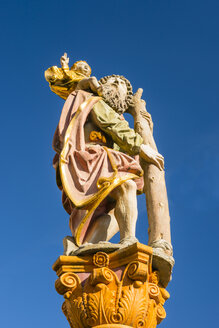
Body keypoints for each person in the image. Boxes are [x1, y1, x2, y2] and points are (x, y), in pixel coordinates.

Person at [50, 73, 164, 254]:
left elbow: (124, 143)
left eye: (122, 85)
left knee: (113, 215)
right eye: (114, 81)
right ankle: (129, 241)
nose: (117, 85)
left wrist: (144, 126)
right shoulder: (95, 103)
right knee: (126, 186)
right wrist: (141, 147)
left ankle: (83, 245)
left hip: (106, 161)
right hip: (90, 159)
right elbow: (112, 126)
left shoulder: (120, 119)